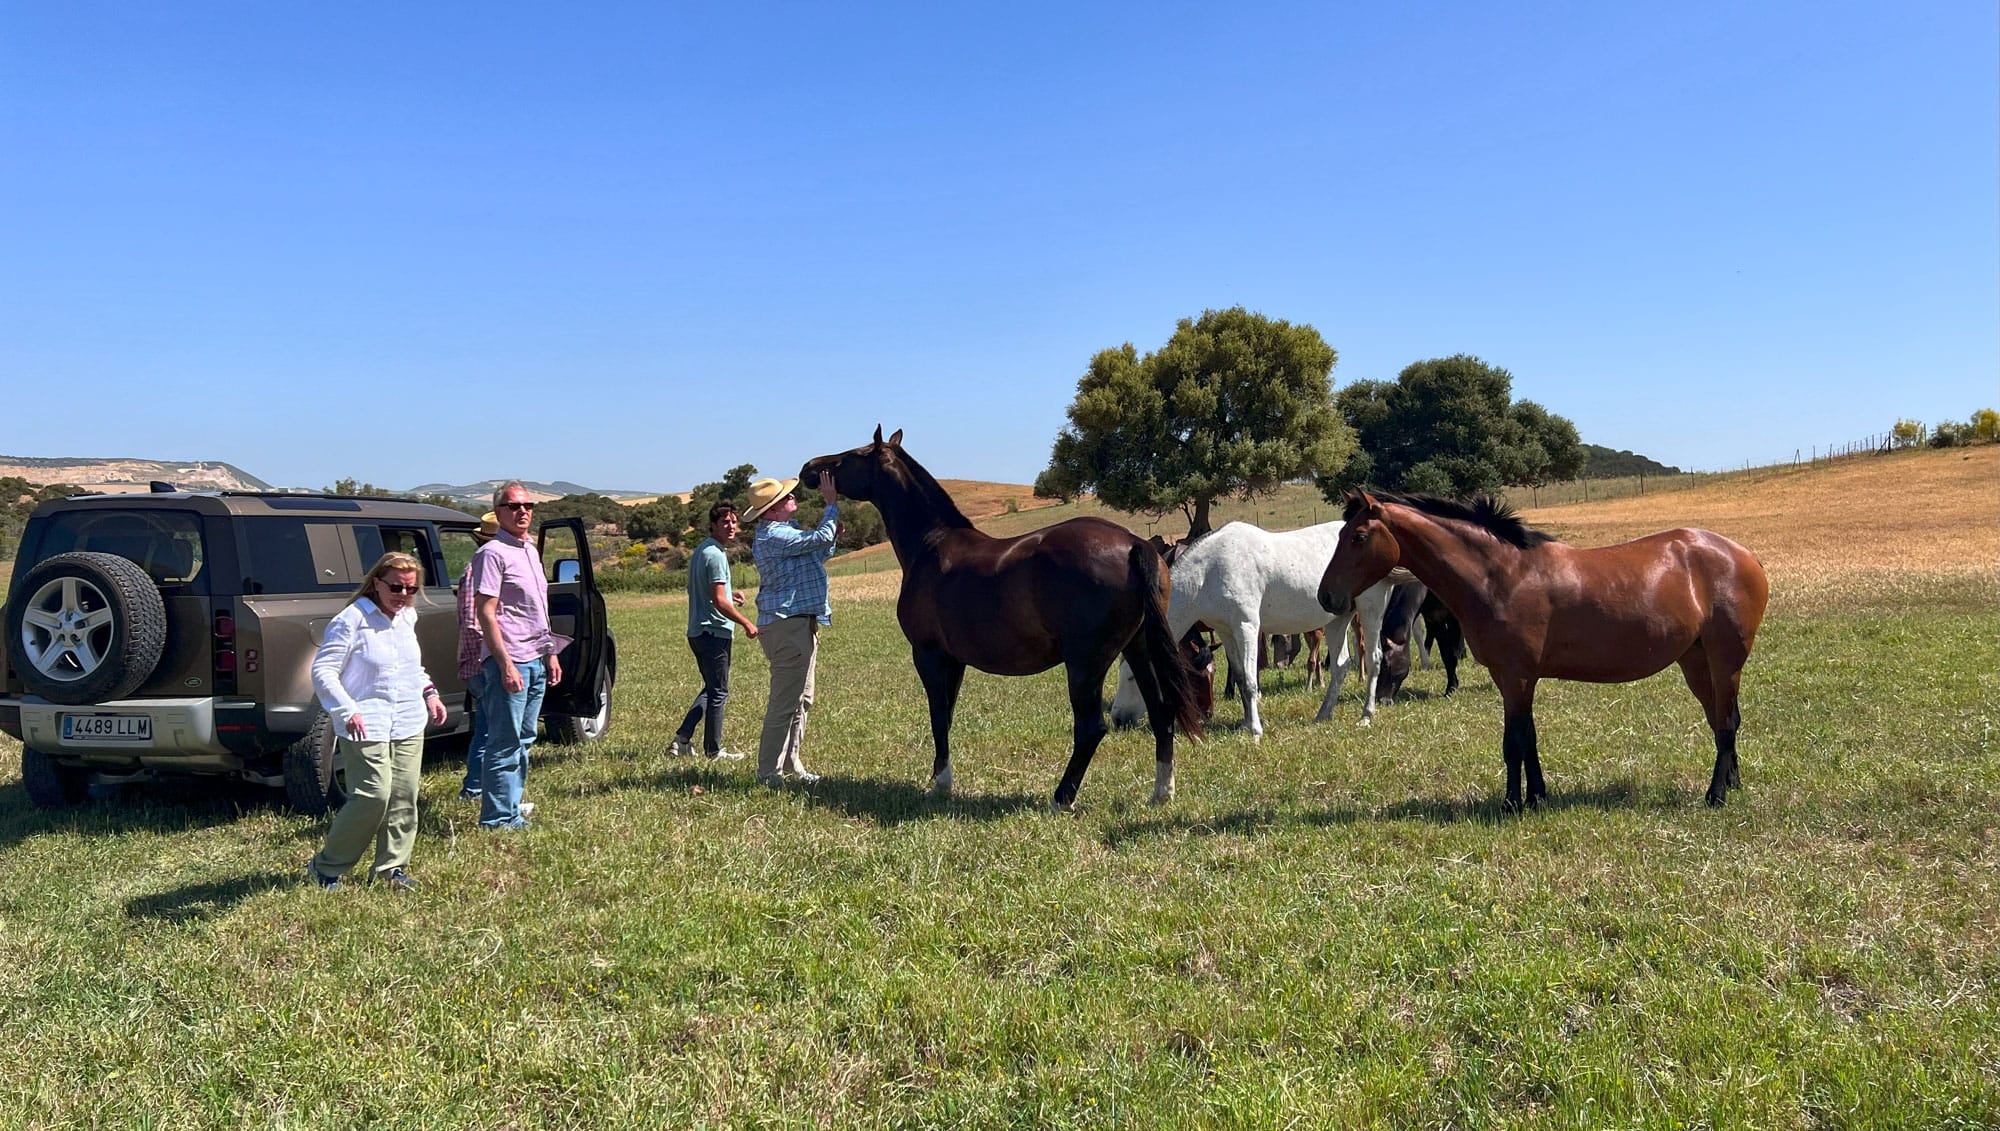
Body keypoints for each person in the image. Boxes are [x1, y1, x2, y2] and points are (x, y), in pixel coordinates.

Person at [304, 551, 448, 891]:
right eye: (396, 588)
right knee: (373, 795)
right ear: (376, 583)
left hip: (408, 718)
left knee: (403, 795)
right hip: (365, 721)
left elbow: (412, 667)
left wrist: (431, 693)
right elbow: (323, 671)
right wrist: (346, 708)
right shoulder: (351, 619)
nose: (403, 596)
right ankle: (326, 867)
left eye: (411, 589)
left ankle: (391, 869)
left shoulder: (406, 617)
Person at [470, 481, 570, 829]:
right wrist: (504, 663)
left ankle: (511, 807)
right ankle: (497, 818)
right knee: (504, 740)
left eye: (528, 505)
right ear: (498, 512)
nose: (523, 511)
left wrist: (551, 653)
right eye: (514, 506)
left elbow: (537, 609)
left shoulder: (529, 550)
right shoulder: (491, 554)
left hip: (536, 658)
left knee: (525, 738)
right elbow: (486, 612)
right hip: (510, 660)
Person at [745, 470, 839, 787]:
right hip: (787, 626)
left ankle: (790, 763)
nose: (792, 498)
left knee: (802, 700)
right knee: (784, 703)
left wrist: (832, 531)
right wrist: (831, 506)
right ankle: (768, 773)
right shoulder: (773, 534)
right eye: (786, 497)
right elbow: (818, 539)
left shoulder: (785, 532)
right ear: (770, 510)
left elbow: (820, 550)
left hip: (800, 622)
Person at [670, 500, 758, 761]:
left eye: (734, 521)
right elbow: (719, 602)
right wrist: (746, 622)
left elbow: (709, 591)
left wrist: (732, 594)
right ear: (713, 525)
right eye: (725, 522)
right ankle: (713, 751)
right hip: (714, 632)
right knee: (718, 691)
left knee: (711, 688)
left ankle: (682, 739)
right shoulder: (716, 555)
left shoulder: (702, 551)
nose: (731, 526)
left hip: (698, 630)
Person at [454, 511, 499, 802]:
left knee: (489, 728)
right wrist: (499, 656)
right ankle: (475, 789)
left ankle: (478, 787)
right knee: (490, 731)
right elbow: (473, 622)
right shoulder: (478, 572)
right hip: (485, 663)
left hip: (483, 661)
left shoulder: (479, 569)